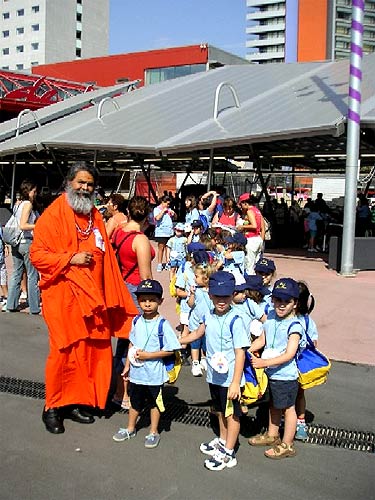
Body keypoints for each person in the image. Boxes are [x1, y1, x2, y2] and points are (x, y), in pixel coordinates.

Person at [30, 162, 139, 435]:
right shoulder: (53, 215)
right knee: (63, 352)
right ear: (69, 183)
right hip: (63, 298)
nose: (85, 188)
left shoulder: (95, 216)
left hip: (93, 300)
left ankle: (77, 402)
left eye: (89, 184)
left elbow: (106, 256)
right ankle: (52, 407)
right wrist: (70, 258)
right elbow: (37, 256)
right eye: (80, 182)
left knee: (89, 353)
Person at [181, 271, 249, 471]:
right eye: (217, 295)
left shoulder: (236, 319)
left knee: (232, 414)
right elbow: (197, 333)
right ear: (210, 294)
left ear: (232, 294)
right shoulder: (208, 314)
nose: (221, 300)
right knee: (219, 410)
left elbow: (240, 354)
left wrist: (236, 382)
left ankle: (229, 451)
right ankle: (222, 439)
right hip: (214, 375)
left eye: (226, 296)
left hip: (230, 379)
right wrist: (178, 341)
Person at [112, 279, 181, 448]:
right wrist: (127, 365)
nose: (147, 304)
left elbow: (171, 349)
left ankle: (154, 431)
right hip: (137, 373)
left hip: (154, 375)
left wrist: (149, 355)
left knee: (154, 403)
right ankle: (130, 427)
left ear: (160, 301)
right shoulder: (136, 321)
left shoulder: (163, 325)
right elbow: (132, 344)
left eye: (152, 300)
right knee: (135, 401)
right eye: (143, 300)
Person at [248, 278, 304, 459]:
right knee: (273, 404)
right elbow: (262, 340)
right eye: (278, 300)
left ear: (295, 304)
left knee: (288, 408)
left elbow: (289, 354)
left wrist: (264, 363)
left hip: (285, 375)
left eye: (287, 301)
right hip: (270, 373)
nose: (281, 305)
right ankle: (272, 435)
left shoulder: (295, 325)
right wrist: (246, 351)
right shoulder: (270, 316)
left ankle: (287, 444)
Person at [111, 195, 155, 409]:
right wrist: (153, 300)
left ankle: (119, 391)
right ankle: (127, 393)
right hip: (136, 291)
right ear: (146, 216)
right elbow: (146, 276)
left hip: (121, 287)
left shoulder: (119, 232)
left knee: (123, 341)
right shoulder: (141, 240)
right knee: (136, 343)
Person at [5, 179, 40, 315]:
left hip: (16, 241)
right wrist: (38, 226)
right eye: (34, 191)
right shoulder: (28, 205)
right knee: (32, 274)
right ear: (28, 191)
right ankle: (34, 307)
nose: (35, 194)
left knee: (16, 273)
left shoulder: (18, 204)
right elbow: (23, 225)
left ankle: (11, 304)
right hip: (26, 241)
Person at [294, 281, 318, 441]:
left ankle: (297, 420)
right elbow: (315, 342)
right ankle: (298, 421)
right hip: (297, 363)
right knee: (297, 394)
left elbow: (313, 341)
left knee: (294, 394)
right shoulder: (308, 320)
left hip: (295, 363)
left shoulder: (304, 320)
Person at [237, 194, 265, 274]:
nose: (241, 206)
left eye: (241, 204)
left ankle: (251, 283)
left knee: (249, 265)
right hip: (258, 239)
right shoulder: (257, 210)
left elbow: (254, 225)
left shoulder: (250, 211)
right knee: (256, 264)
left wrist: (242, 226)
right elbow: (262, 227)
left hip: (251, 239)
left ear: (245, 203)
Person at [153, 195, 176, 272]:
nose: (168, 205)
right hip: (161, 232)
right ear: (162, 202)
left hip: (169, 231)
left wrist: (173, 213)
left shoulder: (169, 210)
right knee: (161, 248)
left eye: (169, 204)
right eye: (167, 203)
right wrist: (163, 211)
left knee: (168, 248)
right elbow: (157, 218)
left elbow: (175, 218)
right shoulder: (156, 209)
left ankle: (168, 263)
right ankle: (159, 264)